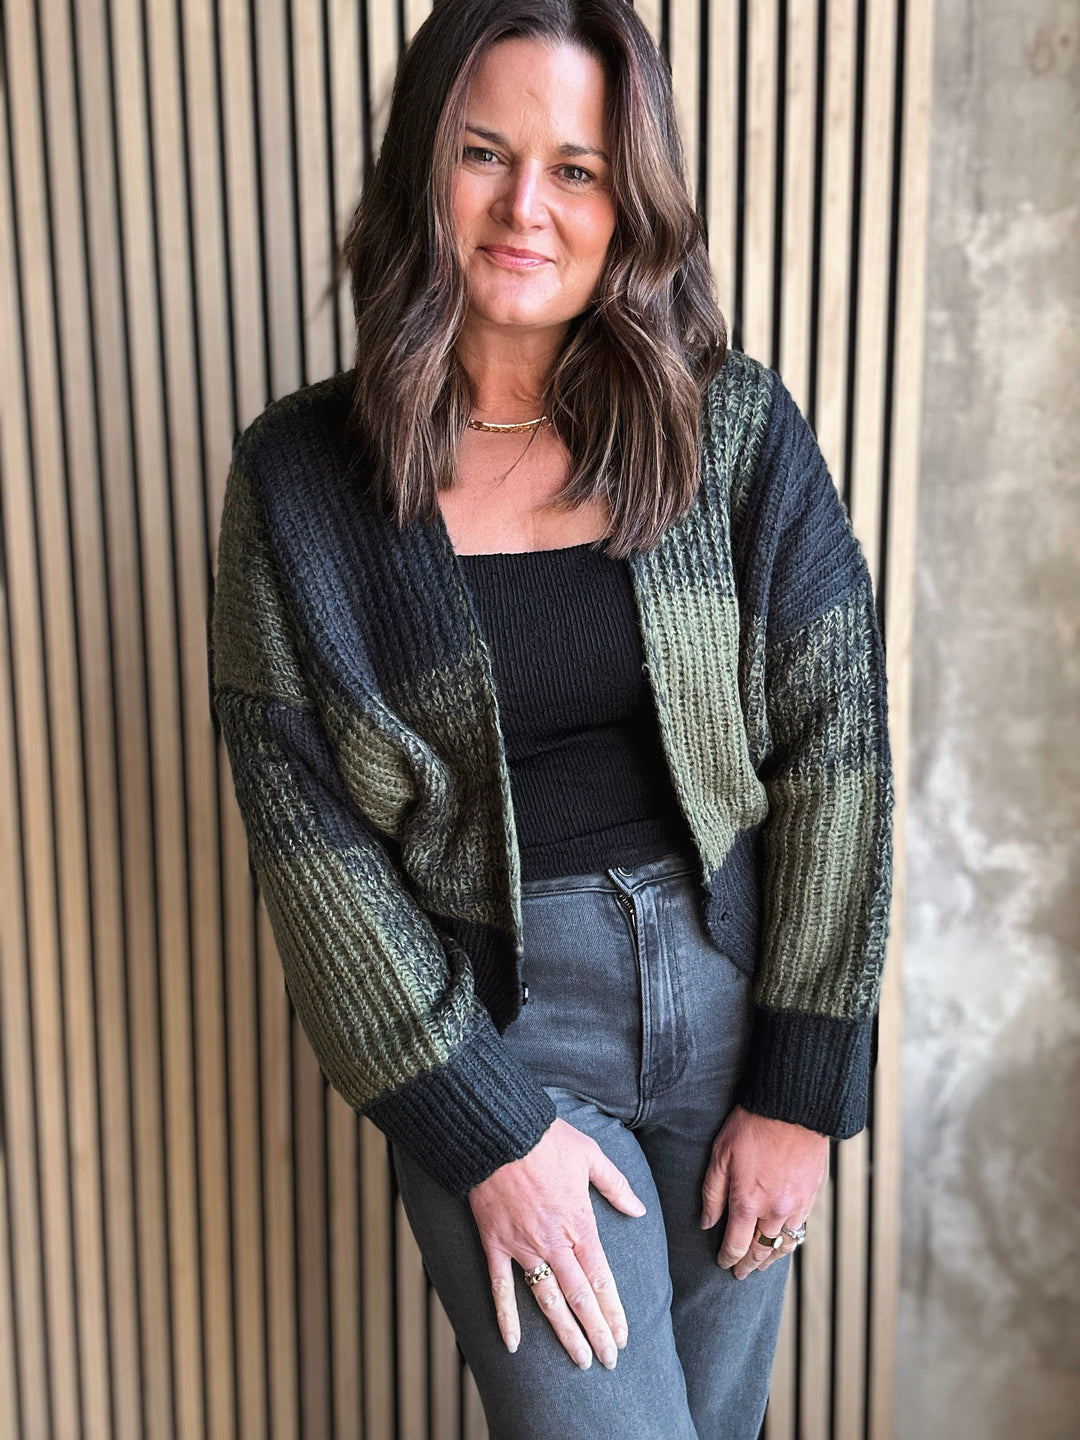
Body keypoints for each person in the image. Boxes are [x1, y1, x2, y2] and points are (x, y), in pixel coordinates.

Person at [208, 0, 894, 1435]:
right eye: (484, 153)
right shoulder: (302, 486)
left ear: (626, 201)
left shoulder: (732, 434)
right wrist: (481, 1128)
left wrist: (805, 1085)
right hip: (505, 1039)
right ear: (422, 173)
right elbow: (303, 835)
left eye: (577, 167)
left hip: (733, 1022)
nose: (529, 205)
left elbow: (840, 745)